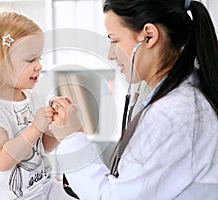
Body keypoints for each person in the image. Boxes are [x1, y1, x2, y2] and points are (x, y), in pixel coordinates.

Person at [50, 0, 218, 199]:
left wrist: (71, 138)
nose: (110, 54)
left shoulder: (172, 114)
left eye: (114, 41)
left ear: (149, 36)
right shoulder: (183, 99)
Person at [0, 10, 75, 200]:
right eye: (30, 59)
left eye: (39, 58)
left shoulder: (32, 97)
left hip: (41, 187)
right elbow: (2, 160)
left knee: (80, 193)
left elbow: (42, 147)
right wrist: (36, 127)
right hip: (10, 197)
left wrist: (59, 128)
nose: (39, 65)